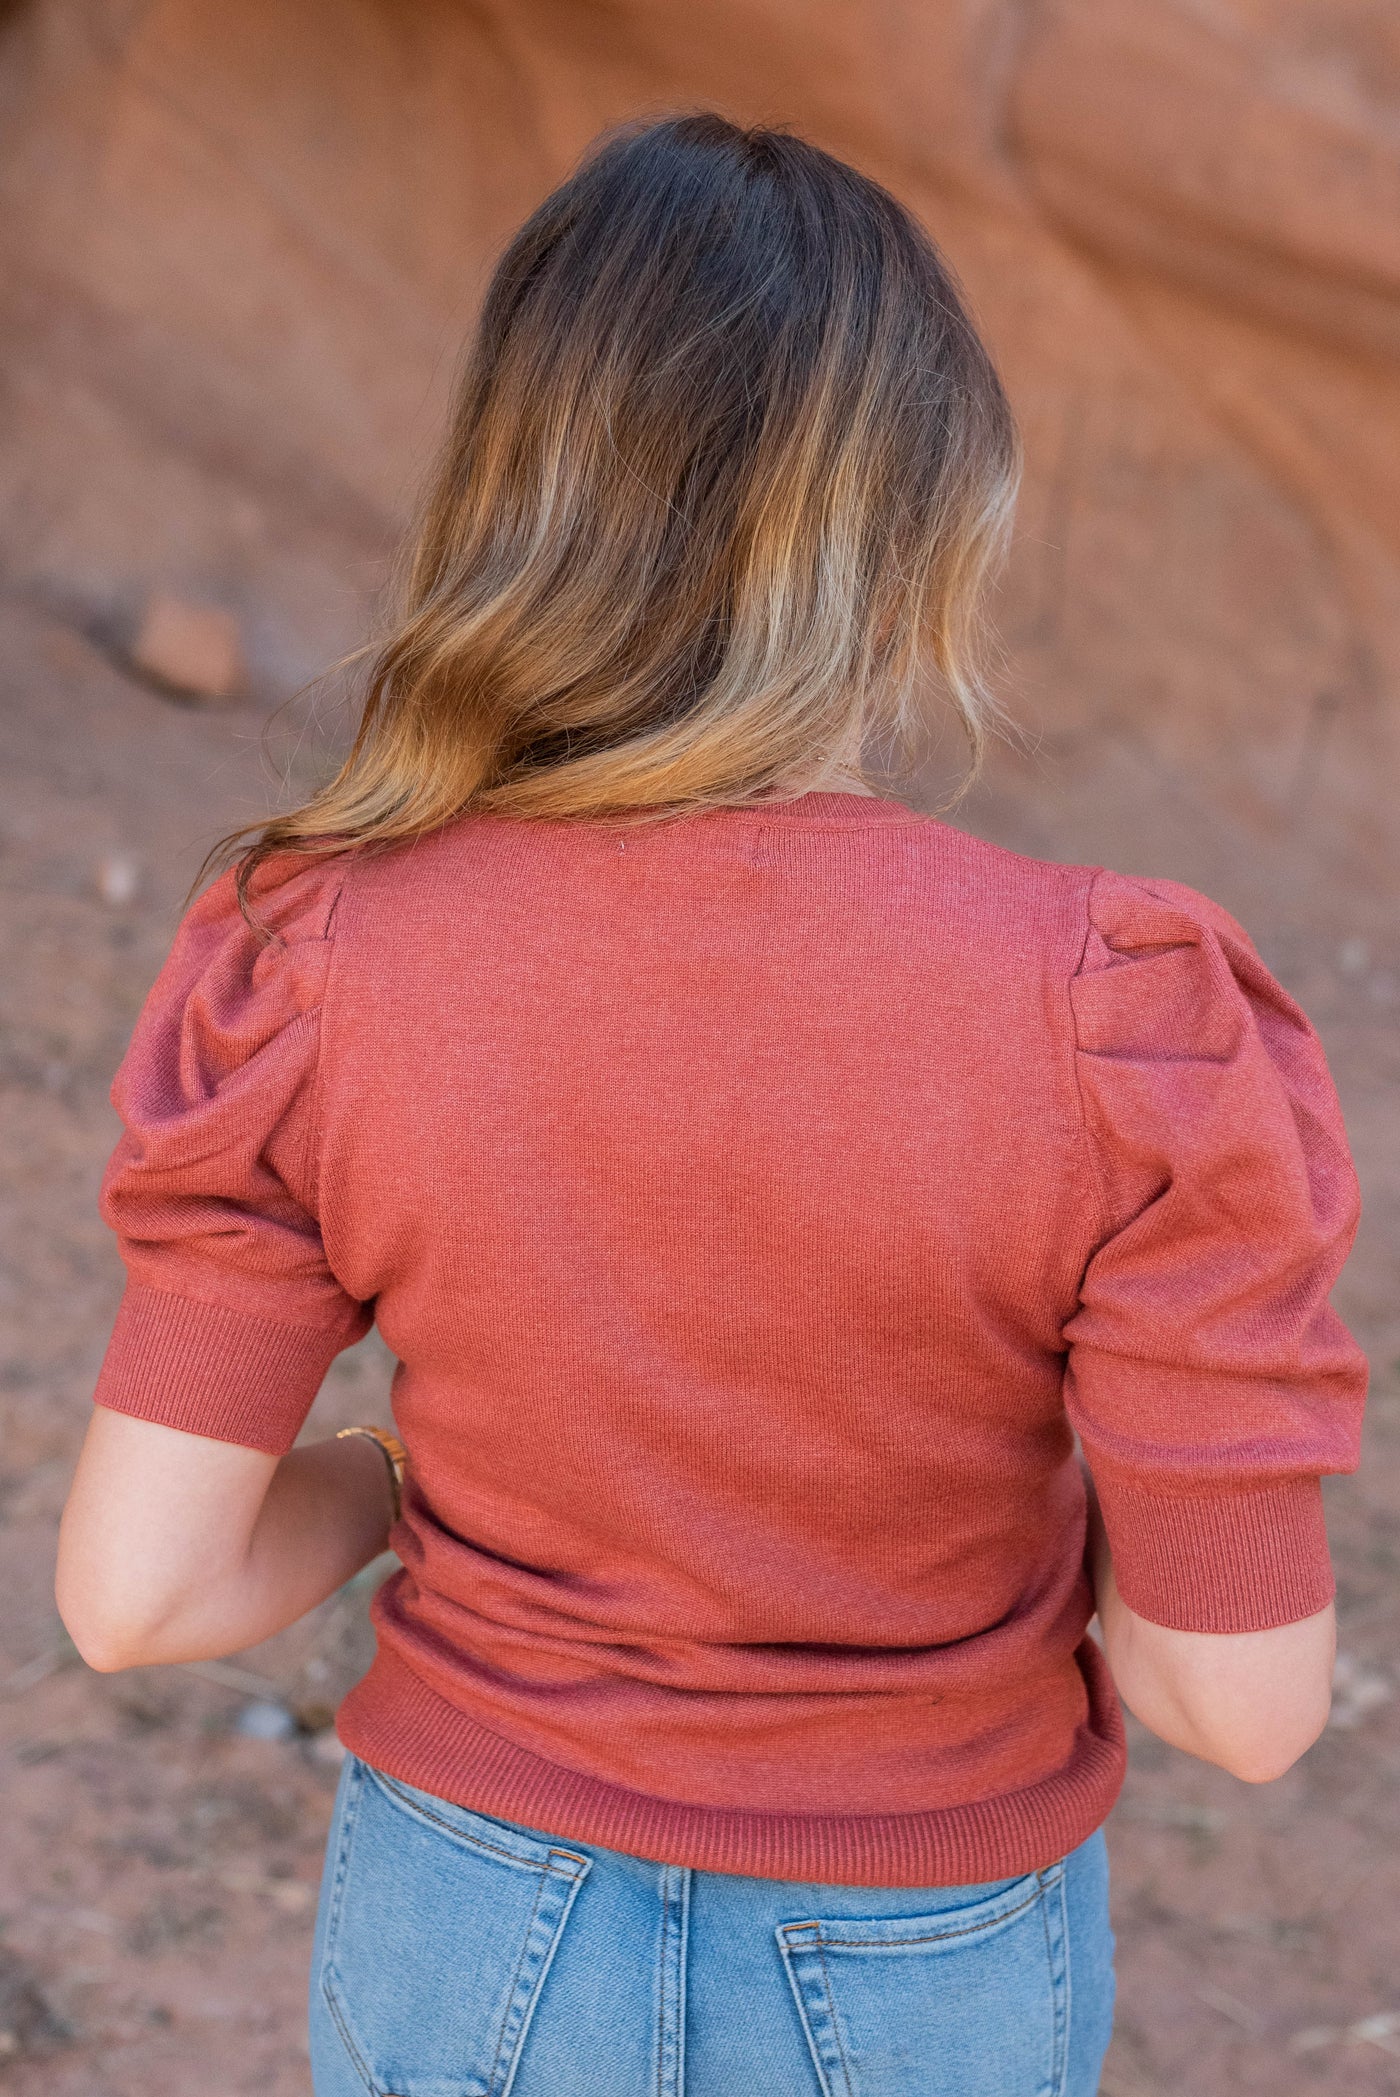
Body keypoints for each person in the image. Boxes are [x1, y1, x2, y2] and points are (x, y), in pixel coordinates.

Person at [55, 115, 1365, 2097]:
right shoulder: (1122, 1015)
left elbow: (139, 1592)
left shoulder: (312, 959)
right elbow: (1241, 1702)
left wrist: (417, 1483)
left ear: (513, 501)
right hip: (925, 1962)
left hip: (464, 1928)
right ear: (924, 529)